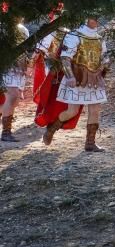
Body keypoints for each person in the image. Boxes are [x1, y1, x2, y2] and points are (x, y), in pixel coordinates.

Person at [39, 15, 108, 151]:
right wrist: (70, 76)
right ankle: (52, 128)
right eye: (95, 17)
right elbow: (65, 58)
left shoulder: (99, 38)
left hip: (94, 79)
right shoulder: (74, 35)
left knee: (95, 110)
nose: (98, 20)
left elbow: (104, 56)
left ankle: (90, 143)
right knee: (72, 111)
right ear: (87, 18)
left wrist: (104, 66)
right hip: (77, 78)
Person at [1, 15, 31, 143]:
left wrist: (26, 65)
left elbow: (24, 50)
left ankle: (6, 129)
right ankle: (6, 132)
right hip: (6, 67)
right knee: (12, 96)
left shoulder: (24, 30)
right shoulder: (2, 28)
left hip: (19, 69)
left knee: (15, 99)